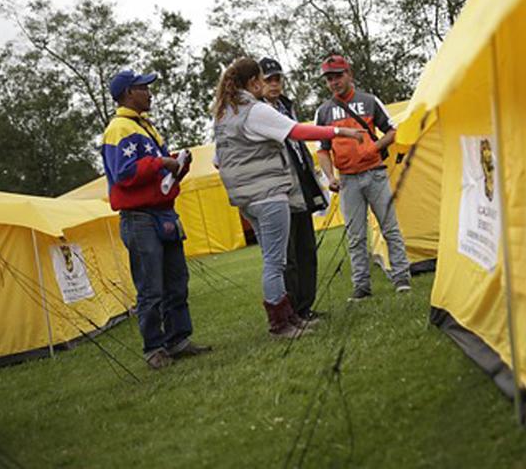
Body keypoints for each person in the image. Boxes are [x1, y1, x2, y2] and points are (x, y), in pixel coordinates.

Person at [212, 57, 363, 338]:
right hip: (268, 194)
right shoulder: (253, 109)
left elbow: (218, 160)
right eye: (262, 79)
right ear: (253, 82)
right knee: (276, 261)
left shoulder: (224, 115)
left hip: (245, 199)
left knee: (275, 258)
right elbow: (297, 132)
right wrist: (341, 131)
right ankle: (281, 323)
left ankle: (290, 317)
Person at [102, 69, 211, 370]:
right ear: (128, 93)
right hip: (139, 218)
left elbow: (156, 172)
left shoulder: (145, 126)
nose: (150, 92)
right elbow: (125, 174)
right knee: (151, 287)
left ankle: (178, 340)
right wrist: (162, 161)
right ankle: (154, 348)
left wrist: (177, 164)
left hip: (163, 213)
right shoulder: (119, 129)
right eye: (143, 87)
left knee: (177, 282)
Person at [314, 54, 412, 301]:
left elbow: (392, 130)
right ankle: (361, 286)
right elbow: (322, 150)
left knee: (390, 228)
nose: (334, 82)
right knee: (355, 236)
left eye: (338, 76)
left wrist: (374, 147)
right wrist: (329, 177)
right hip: (347, 180)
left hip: (375, 174)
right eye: (329, 79)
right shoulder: (323, 111)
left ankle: (402, 278)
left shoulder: (369, 101)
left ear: (349, 74)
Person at [259, 57, 328, 321]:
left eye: (277, 79)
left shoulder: (287, 106)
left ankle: (305, 306)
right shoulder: (257, 111)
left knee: (306, 250)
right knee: (287, 258)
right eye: (268, 80)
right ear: (258, 83)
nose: (274, 84)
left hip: (301, 185)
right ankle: (291, 311)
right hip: (278, 190)